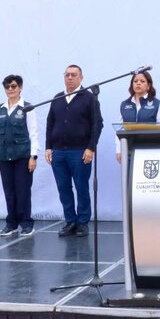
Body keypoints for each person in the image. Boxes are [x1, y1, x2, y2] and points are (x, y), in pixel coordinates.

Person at [45, 65, 103, 238]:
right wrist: (48, 146)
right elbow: (50, 124)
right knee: (63, 188)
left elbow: (97, 124)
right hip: (58, 152)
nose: (70, 78)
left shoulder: (89, 98)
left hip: (80, 152)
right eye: (67, 75)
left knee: (81, 187)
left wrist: (91, 148)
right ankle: (70, 221)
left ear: (81, 77)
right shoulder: (58, 98)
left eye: (73, 75)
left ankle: (83, 222)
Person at [0, 74, 39, 237]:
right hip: (4, 156)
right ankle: (11, 224)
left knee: (23, 191)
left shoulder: (27, 107)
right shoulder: (1, 108)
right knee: (9, 191)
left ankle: (26, 223)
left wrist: (33, 157)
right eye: (7, 87)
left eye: (13, 86)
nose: (10, 89)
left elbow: (34, 133)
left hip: (22, 156)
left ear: (20, 88)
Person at [115, 70, 160, 163]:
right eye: (135, 81)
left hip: (151, 151)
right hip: (129, 151)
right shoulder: (124, 105)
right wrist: (119, 150)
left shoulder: (157, 104)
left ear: (148, 86)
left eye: (142, 81)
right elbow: (119, 130)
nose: (138, 83)